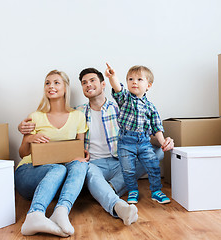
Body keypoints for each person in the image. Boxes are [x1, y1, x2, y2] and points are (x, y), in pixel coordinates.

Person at [18, 67, 174, 225]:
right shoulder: (78, 113)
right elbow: (67, 141)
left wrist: (164, 141)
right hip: (93, 164)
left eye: (92, 81)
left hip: (120, 161)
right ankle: (117, 204)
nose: (88, 85)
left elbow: (145, 136)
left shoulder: (122, 108)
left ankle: (109, 188)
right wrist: (25, 131)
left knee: (155, 153)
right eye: (84, 83)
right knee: (86, 170)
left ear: (103, 84)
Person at [15, 70, 89, 238]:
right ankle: (35, 215)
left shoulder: (78, 116)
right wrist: (31, 138)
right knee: (58, 169)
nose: (51, 86)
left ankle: (61, 211)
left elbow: (79, 149)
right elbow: (22, 153)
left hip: (57, 182)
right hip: (29, 172)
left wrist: (83, 156)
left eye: (56, 82)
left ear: (65, 88)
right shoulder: (35, 116)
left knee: (79, 164)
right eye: (47, 83)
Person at [105, 63, 171, 204]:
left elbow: (157, 127)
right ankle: (132, 190)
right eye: (130, 79)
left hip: (143, 142)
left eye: (139, 79)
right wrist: (113, 77)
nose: (134, 82)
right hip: (125, 141)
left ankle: (156, 191)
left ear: (148, 85)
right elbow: (118, 88)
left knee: (153, 165)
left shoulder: (151, 107)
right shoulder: (125, 99)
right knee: (128, 169)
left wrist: (163, 142)